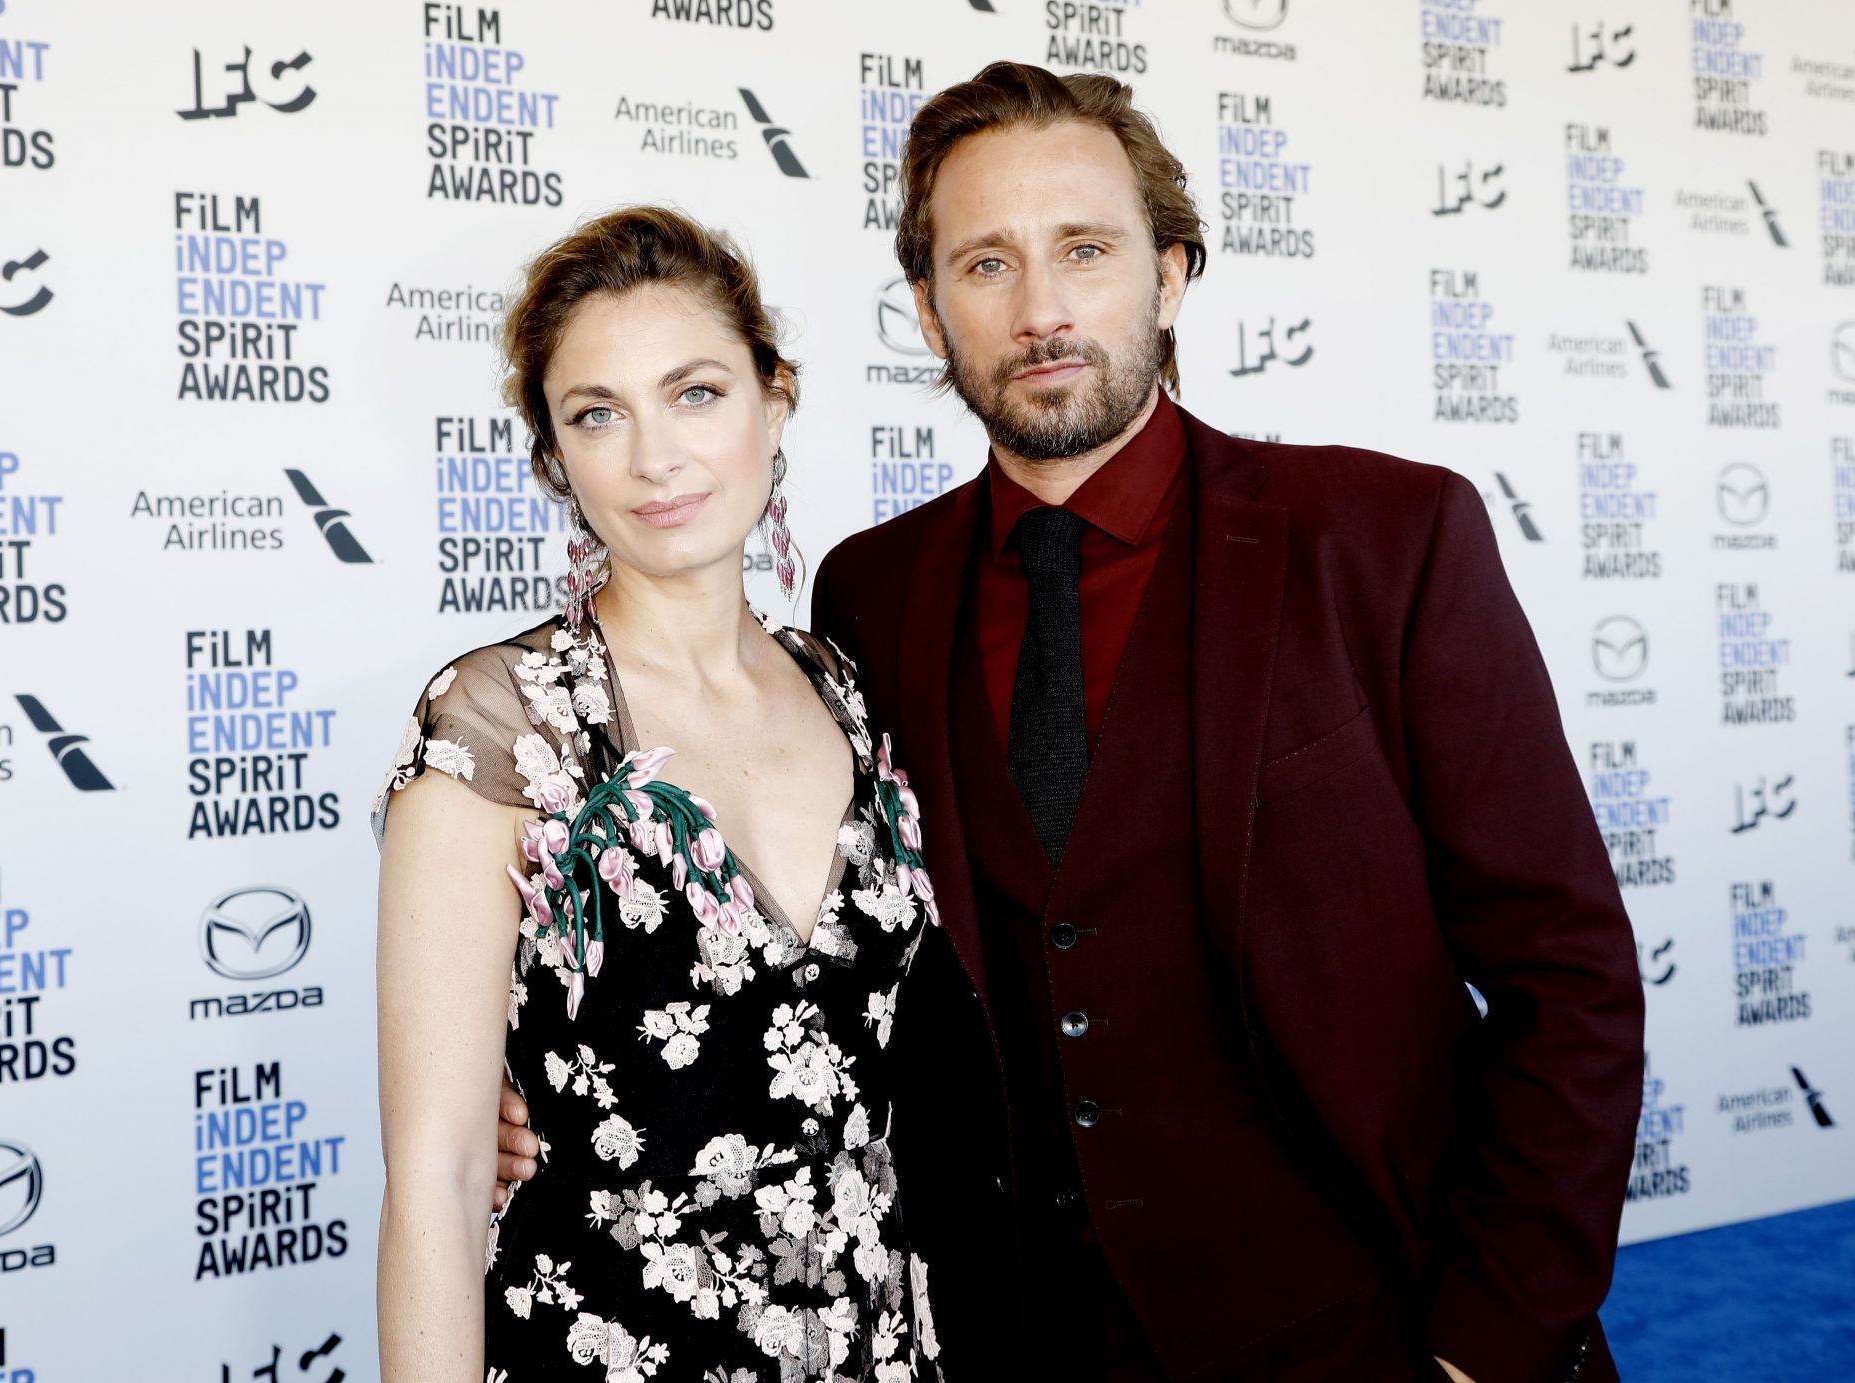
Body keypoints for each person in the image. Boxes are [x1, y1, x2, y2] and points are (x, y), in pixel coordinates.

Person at [496, 63, 1646, 1383]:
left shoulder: (1386, 540)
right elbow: (829, 956)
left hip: (1381, 1324)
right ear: (928, 311)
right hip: (1027, 1341)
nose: (1041, 311)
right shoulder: (870, 595)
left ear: (1167, 273)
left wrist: (1486, 1344)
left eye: (1084, 251)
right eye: (986, 265)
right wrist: (544, 1090)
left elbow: (1571, 970)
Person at [374, 207, 947, 1382]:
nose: (654, 458)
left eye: (695, 393)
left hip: (880, 1346)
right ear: (554, 456)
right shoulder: (503, 723)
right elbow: (434, 1179)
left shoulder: (851, 687)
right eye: (597, 414)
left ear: (774, 399)